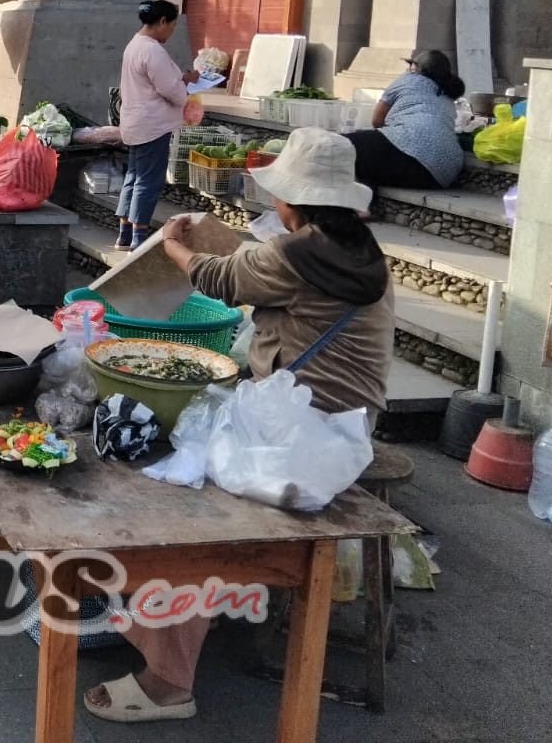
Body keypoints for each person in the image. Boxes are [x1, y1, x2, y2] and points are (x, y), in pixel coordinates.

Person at [83, 128, 392, 724]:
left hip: (293, 435)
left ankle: (168, 680)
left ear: (295, 202)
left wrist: (172, 243)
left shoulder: (298, 255)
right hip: (343, 427)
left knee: (182, 509)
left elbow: (220, 279)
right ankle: (168, 618)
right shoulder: (360, 252)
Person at [115, 0, 197, 252]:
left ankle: (124, 235)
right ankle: (139, 238)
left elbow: (160, 81)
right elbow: (169, 89)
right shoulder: (152, 50)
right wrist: (188, 87)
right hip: (152, 124)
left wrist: (181, 79)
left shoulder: (135, 45)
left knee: (133, 177)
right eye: (172, 26)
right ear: (162, 22)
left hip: (136, 122)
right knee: (148, 181)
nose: (171, 32)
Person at [347, 49, 466, 194]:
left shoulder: (409, 79)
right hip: (442, 175)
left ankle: (353, 205)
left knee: (339, 145)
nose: (408, 69)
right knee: (371, 156)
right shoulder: (447, 95)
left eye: (411, 65)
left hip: (409, 155)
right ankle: (363, 203)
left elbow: (377, 121)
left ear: (417, 68)